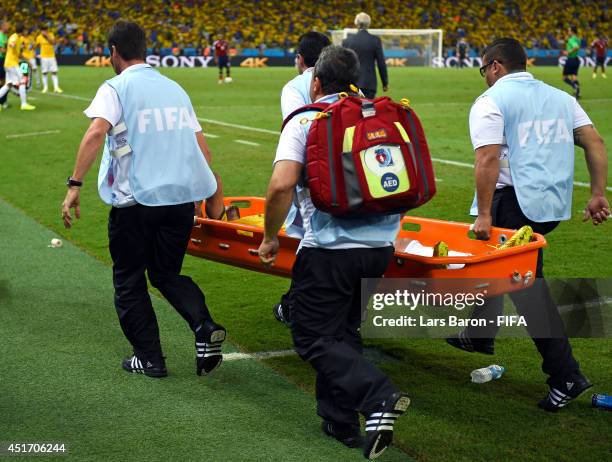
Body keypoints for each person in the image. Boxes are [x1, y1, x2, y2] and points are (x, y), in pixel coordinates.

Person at [258, 45, 409, 460]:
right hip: (379, 246)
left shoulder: (307, 119)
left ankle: (378, 395)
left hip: (328, 248)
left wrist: (271, 237)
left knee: (309, 335)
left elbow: (280, 185)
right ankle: (340, 423)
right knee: (342, 334)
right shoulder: (377, 115)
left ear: (316, 82)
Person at [448, 38, 610, 411]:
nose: (484, 77)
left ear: (496, 66)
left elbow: (488, 158)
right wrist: (598, 193)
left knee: (525, 287)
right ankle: (479, 334)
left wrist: (485, 215)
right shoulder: (561, 98)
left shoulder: (492, 101)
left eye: (483, 70)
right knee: (500, 267)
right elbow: (595, 142)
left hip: (514, 203)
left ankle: (566, 375)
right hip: (550, 205)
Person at [61, 20, 227, 379]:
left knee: (129, 279)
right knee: (167, 273)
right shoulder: (174, 88)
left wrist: (75, 183)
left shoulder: (115, 88)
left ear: (113, 52)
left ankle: (149, 358)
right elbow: (203, 150)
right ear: (145, 49)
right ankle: (203, 326)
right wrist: (208, 193)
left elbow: (95, 132)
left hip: (137, 202)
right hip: (179, 201)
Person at [273, 31, 330, 327]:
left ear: (300, 59)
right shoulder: (351, 89)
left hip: (312, 179)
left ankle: (295, 306)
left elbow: (297, 129)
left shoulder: (294, 87)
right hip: (351, 179)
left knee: (310, 240)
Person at [342, 12, 388, 99]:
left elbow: (342, 64)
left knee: (353, 110)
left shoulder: (347, 41)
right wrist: (385, 83)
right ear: (369, 24)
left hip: (351, 84)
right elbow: (381, 63)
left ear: (356, 23)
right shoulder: (375, 40)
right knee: (368, 111)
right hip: (369, 83)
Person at [0, 22, 35, 110]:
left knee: (8, 84)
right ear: (22, 31)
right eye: (25, 30)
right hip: (12, 64)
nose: (26, 32)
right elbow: (12, 44)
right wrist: (12, 45)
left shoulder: (19, 38)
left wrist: (27, 61)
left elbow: (18, 53)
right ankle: (24, 104)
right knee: (23, 80)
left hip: (9, 63)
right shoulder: (14, 37)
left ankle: (24, 104)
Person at [35, 24, 62, 93]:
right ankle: (45, 87)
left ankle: (56, 87)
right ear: (41, 31)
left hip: (51, 56)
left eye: (45, 30)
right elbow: (36, 46)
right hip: (44, 57)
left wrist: (47, 36)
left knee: (54, 72)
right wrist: (37, 53)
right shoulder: (39, 37)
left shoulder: (51, 35)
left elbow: (53, 43)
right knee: (44, 72)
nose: (44, 31)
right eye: (43, 30)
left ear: (47, 30)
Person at [562, 26, 581, 98]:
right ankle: (578, 93)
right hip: (576, 59)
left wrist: (568, 52)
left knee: (564, 78)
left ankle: (575, 86)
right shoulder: (578, 39)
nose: (568, 32)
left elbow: (576, 47)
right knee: (574, 77)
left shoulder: (571, 39)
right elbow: (576, 45)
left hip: (570, 59)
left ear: (572, 32)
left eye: (569, 31)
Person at [0, 21, 8, 110]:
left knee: (4, 81)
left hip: (4, 60)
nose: (8, 27)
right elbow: (2, 50)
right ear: (2, 26)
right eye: (6, 25)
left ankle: (3, 101)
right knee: (3, 81)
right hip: (1, 60)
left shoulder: (5, 36)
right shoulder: (0, 36)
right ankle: (3, 101)